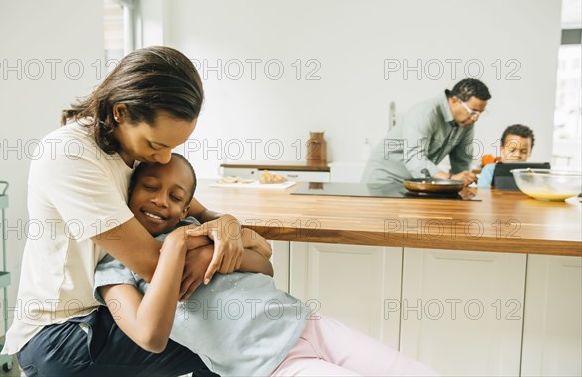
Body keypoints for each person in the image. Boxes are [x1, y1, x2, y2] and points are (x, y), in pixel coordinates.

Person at [2, 46, 272, 376]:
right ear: (121, 112)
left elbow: (203, 214)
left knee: (234, 315)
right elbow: (155, 265)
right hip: (62, 334)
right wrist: (215, 253)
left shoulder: (133, 152)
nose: (162, 159)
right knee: (232, 334)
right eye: (156, 145)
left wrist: (229, 226)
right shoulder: (71, 155)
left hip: (104, 311)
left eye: (173, 147)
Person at [94, 153, 439, 377]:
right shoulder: (116, 266)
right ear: (128, 194)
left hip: (311, 325)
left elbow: (264, 267)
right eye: (150, 187)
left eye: (175, 197)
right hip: (270, 365)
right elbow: (150, 337)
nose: (159, 200)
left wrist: (211, 257)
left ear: (186, 209)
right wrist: (177, 245)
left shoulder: (194, 230)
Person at [362, 78, 491, 186]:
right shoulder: (424, 113)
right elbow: (415, 159)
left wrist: (464, 182)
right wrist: (450, 178)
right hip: (384, 180)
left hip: (414, 182)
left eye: (480, 113)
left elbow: (462, 162)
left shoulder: (467, 122)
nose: (476, 118)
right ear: (454, 100)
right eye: (473, 111)